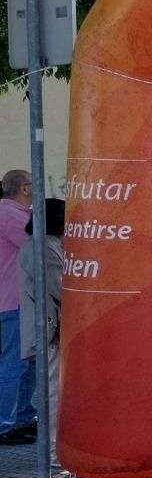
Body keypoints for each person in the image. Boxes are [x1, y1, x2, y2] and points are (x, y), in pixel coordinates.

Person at [18, 198, 64, 462]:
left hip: (47, 328)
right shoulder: (44, 248)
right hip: (48, 330)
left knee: (50, 387)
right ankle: (52, 450)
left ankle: (53, 446)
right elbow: (60, 287)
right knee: (52, 389)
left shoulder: (39, 246)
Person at [0, 170, 35, 445]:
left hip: (17, 300)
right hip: (13, 301)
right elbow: (36, 244)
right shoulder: (11, 214)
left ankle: (22, 417)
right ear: (24, 188)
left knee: (26, 363)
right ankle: (6, 423)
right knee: (14, 364)